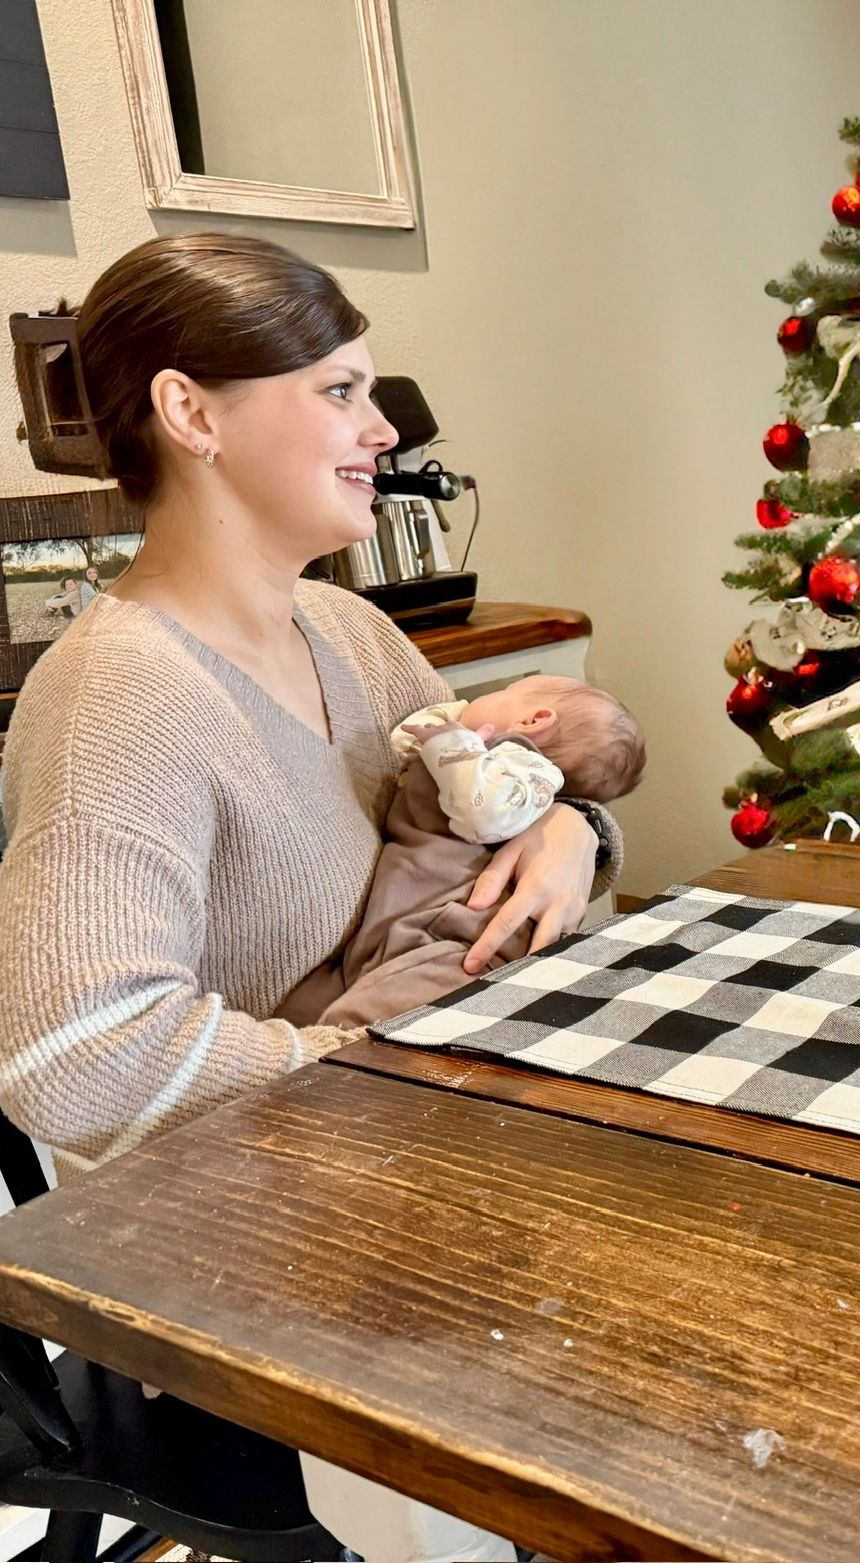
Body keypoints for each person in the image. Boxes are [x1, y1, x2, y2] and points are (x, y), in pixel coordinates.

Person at [0, 231, 621, 1563]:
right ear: (191, 412)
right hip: (263, 1261)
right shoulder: (118, 698)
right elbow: (70, 1059)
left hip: (430, 1162)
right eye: (339, 389)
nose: (383, 426)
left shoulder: (345, 629)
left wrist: (572, 828)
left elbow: (487, 796)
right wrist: (366, 1062)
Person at [285, 672, 646, 1029]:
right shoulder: (494, 760)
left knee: (385, 1014)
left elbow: (486, 811)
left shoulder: (519, 763)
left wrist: (455, 746)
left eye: (504, 690)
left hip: (456, 935)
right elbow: (401, 744)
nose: (470, 701)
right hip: (394, 931)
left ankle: (343, 1056)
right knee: (301, 1009)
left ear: (533, 720)